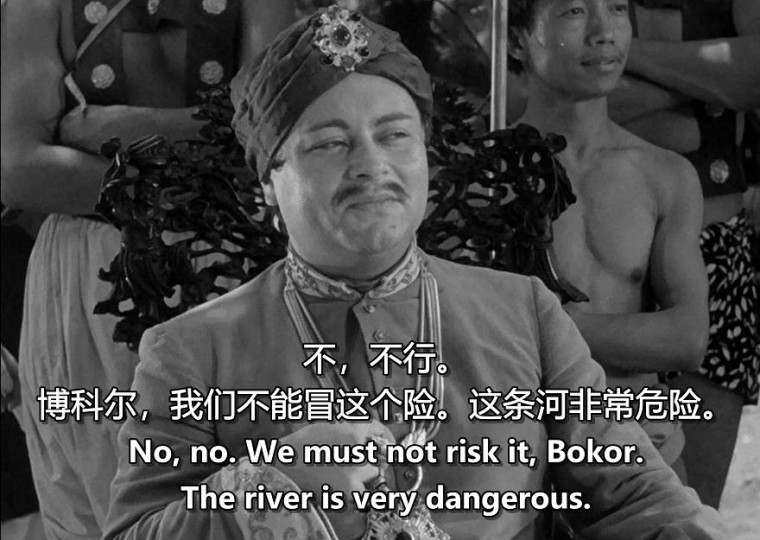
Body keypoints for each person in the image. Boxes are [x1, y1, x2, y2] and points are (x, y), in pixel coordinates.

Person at [102, 6, 724, 539]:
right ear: (268, 182)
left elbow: (638, 500)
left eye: (395, 135)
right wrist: (267, 485)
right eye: (330, 143)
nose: (371, 165)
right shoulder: (191, 351)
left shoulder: (525, 313)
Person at [0, 1, 295, 538]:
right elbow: (19, 170)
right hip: (88, 278)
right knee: (95, 494)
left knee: (235, 498)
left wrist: (119, 129)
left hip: (223, 266)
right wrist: (198, 155)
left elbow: (268, 134)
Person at [507, 0, 709, 480]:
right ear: (517, 39)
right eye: (575, 12)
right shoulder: (479, 178)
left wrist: (544, 327)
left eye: (618, 9)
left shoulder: (665, 175)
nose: (604, 32)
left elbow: (687, 338)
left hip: (641, 455)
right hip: (517, 460)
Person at [605, 0, 760, 508]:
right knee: (586, 506)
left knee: (687, 512)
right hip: (591, 255)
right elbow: (547, 94)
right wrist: (700, 87)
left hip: (715, 250)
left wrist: (621, 52)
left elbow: (751, 74)